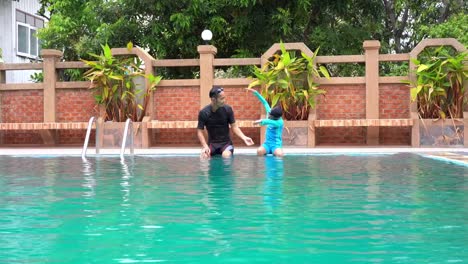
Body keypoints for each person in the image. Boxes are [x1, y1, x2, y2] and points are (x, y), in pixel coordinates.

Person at [197, 86, 254, 158]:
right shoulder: (204, 112)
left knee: (226, 155)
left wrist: (244, 137)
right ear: (213, 99)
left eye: (224, 98)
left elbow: (234, 126)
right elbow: (199, 131)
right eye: (221, 99)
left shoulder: (227, 109)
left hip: (226, 144)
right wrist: (205, 146)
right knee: (204, 156)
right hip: (212, 144)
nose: (224, 100)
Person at [246, 88, 284, 157]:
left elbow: (270, 122)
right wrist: (256, 93)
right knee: (259, 151)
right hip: (267, 144)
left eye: (271, 116)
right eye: (269, 114)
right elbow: (264, 102)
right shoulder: (270, 112)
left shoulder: (279, 122)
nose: (269, 116)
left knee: (279, 154)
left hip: (276, 145)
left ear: (276, 117)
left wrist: (261, 121)